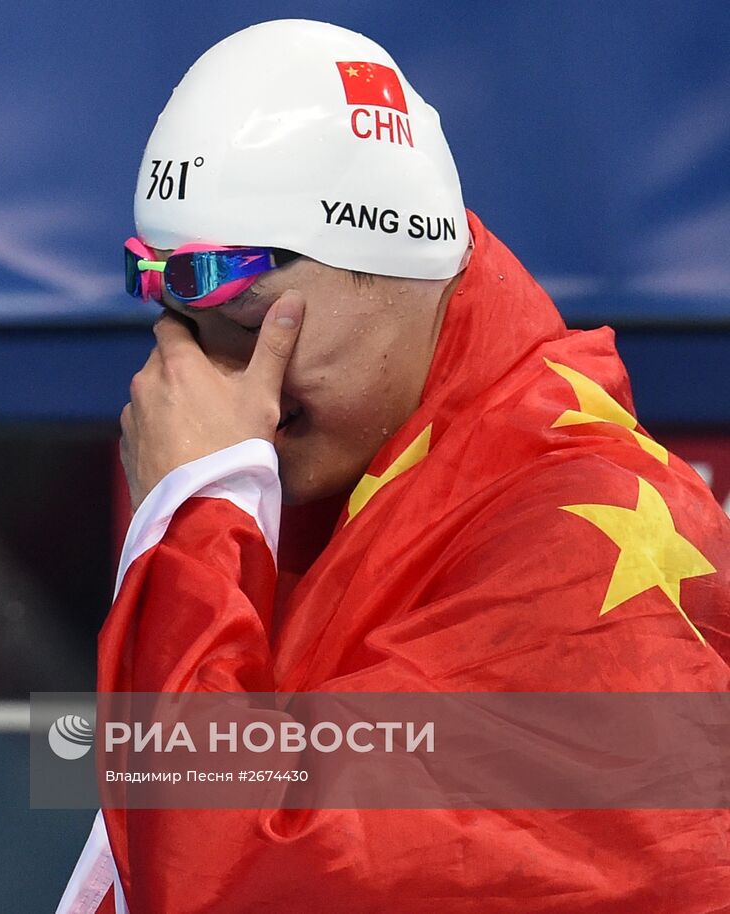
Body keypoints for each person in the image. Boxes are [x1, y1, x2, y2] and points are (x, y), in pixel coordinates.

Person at [58, 19, 730, 914]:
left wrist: (190, 515)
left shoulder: (580, 546)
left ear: (394, 262)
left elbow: (227, 877)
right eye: (191, 338)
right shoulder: (344, 490)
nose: (225, 392)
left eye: (257, 329)